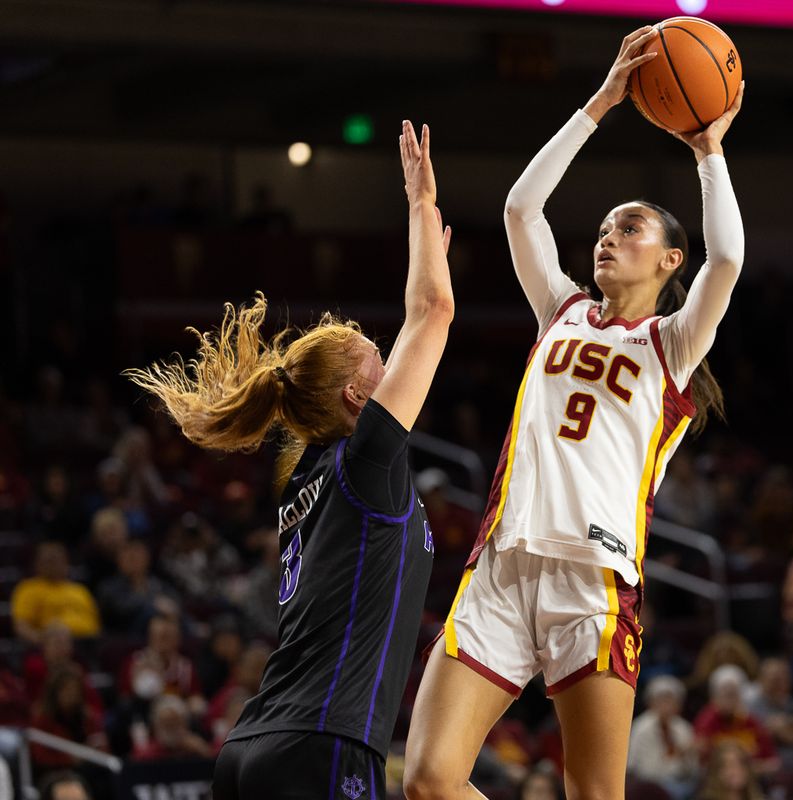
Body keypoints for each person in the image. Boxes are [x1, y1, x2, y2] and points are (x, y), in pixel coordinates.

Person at [403, 26, 744, 800]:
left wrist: (706, 151)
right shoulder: (559, 310)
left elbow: (728, 261)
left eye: (629, 229)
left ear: (668, 261)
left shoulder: (673, 344)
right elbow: (522, 210)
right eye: (602, 229)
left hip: (594, 582)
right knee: (426, 780)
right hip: (503, 563)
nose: (607, 238)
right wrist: (600, 103)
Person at [126, 119, 453, 799]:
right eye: (381, 362)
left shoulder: (308, 471)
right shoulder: (365, 462)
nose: (395, 368)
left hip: (253, 747)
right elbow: (433, 310)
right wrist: (421, 205)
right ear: (356, 396)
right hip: (321, 743)